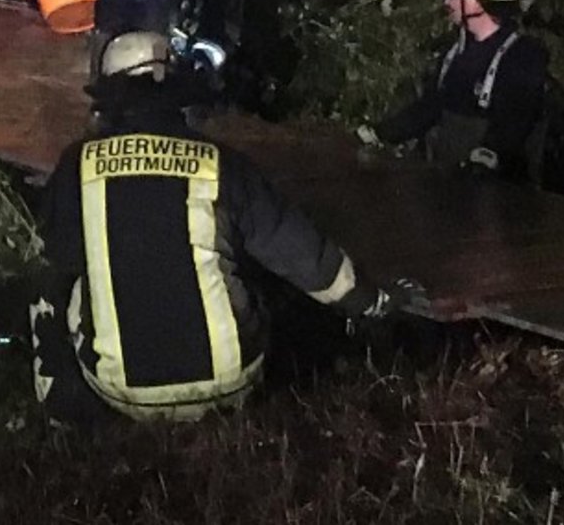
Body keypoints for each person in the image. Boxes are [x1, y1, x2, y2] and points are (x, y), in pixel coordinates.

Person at [30, 31, 422, 424]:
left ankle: (62, 413)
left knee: (57, 284)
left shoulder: (75, 167)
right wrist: (372, 302)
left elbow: (60, 256)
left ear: (110, 99)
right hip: (230, 384)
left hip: (123, 394)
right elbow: (305, 256)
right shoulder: (221, 164)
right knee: (241, 258)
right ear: (178, 94)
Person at [358, 0, 548, 183]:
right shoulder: (455, 51)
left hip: (500, 188)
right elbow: (432, 106)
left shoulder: (522, 55)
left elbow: (516, 119)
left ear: (478, 0)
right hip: (451, 177)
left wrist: (489, 153)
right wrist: (382, 133)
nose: (447, 2)